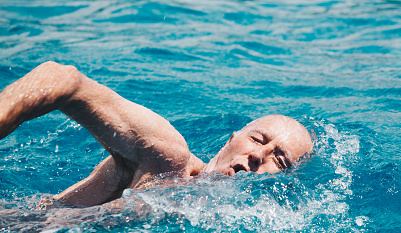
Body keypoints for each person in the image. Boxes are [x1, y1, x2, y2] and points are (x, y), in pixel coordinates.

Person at [0, 62, 313, 207]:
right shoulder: (169, 159)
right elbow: (65, 80)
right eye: (258, 140)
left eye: (280, 160)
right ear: (230, 139)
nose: (259, 156)